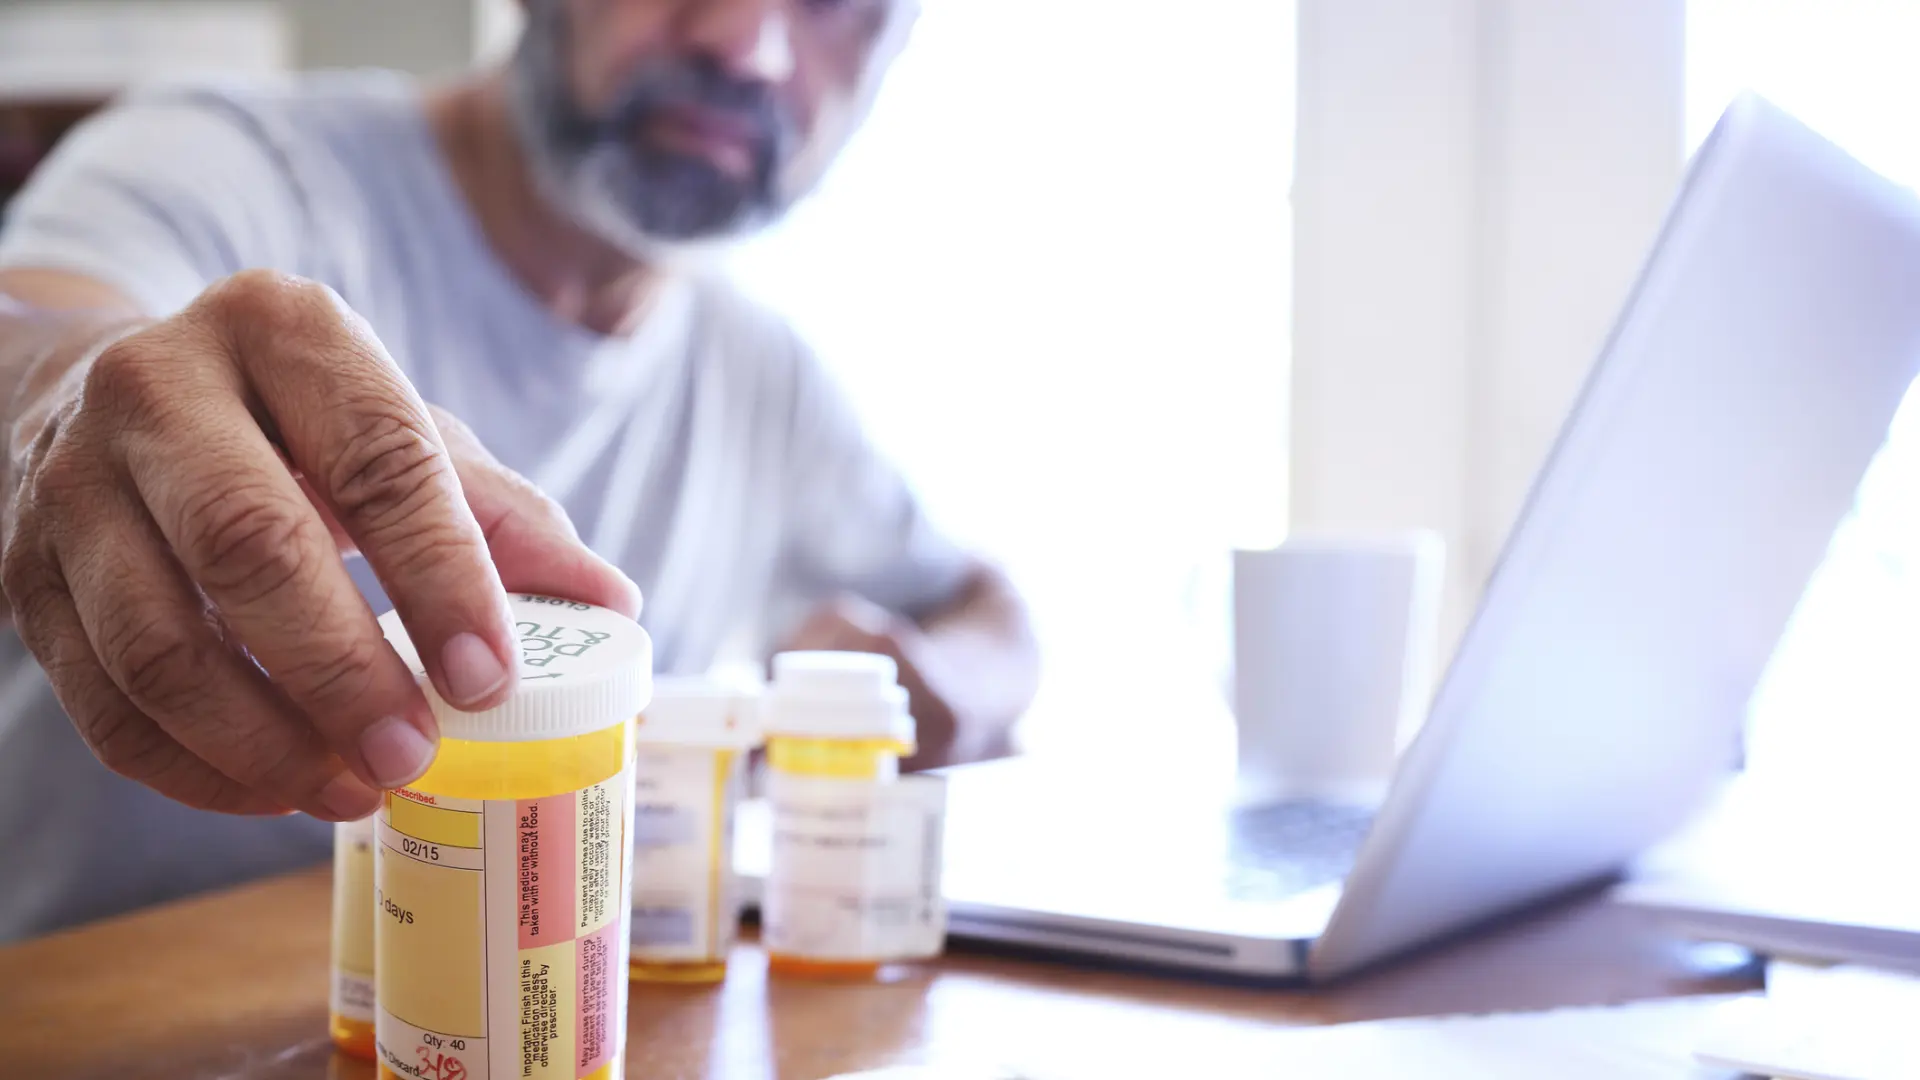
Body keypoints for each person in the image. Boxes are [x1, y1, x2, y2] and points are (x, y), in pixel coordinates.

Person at [0, 0, 1039, 941]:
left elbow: (991, 613)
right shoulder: (224, 163)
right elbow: (36, 342)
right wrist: (63, 400)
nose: (749, 44)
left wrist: (929, 688)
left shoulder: (762, 377)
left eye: (840, 10)